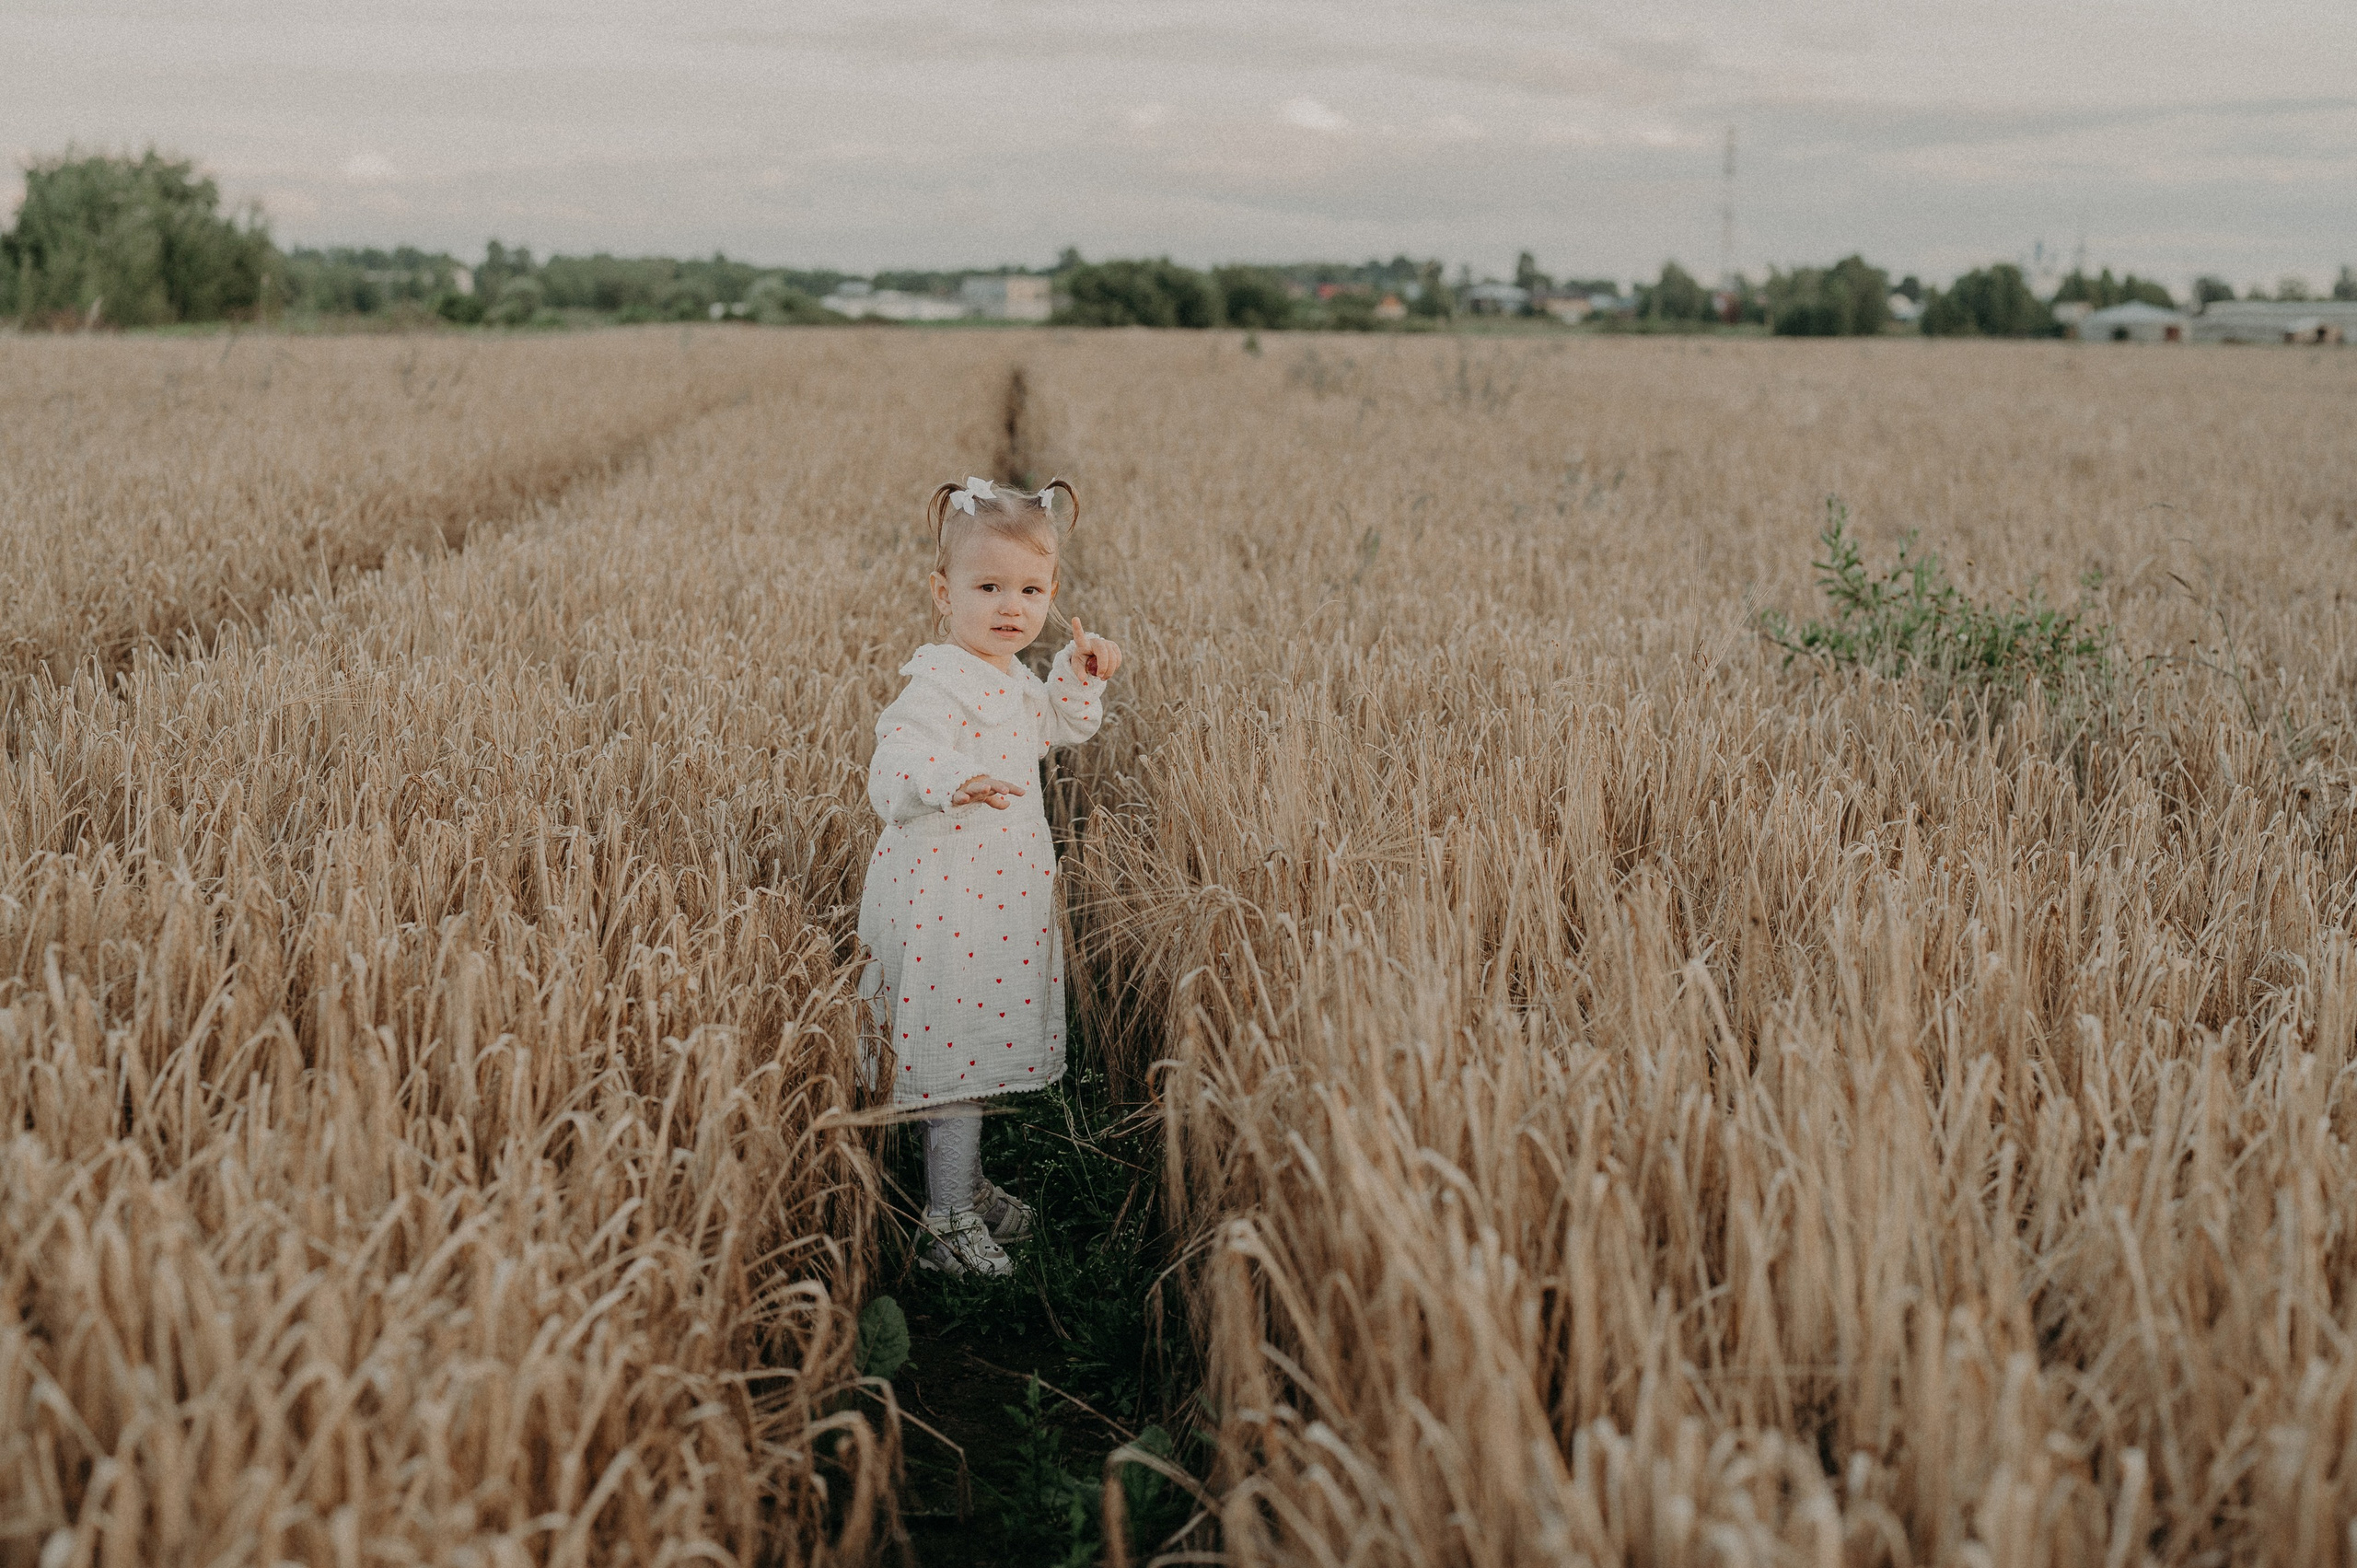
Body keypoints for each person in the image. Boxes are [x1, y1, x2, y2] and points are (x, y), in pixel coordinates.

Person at [858, 475, 1126, 1275]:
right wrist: (951, 779)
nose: (1012, 606)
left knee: (970, 1043)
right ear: (944, 594)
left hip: (996, 895)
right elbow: (894, 761)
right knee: (951, 1052)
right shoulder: (939, 682)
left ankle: (966, 1186)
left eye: (1031, 590)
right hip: (944, 896)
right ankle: (944, 1222)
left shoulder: (1012, 676)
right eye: (988, 588)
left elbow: (1061, 725)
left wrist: (1081, 672)